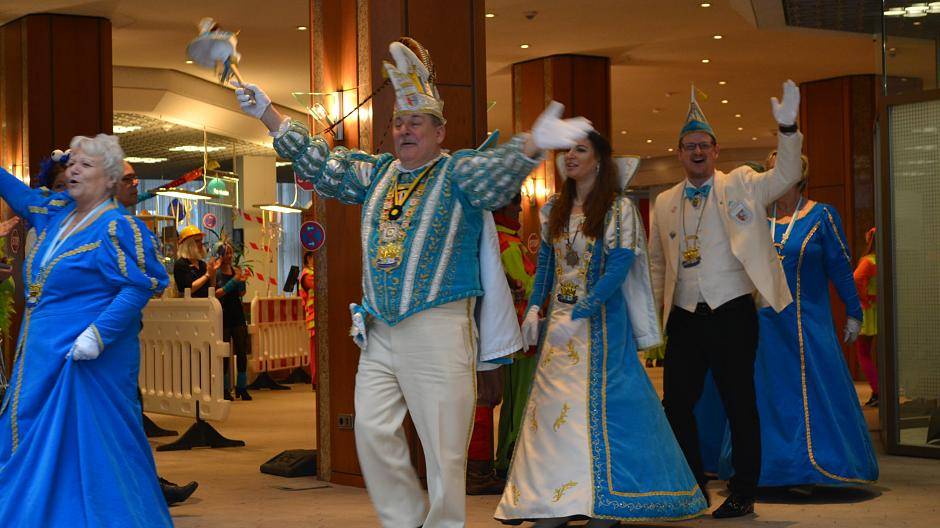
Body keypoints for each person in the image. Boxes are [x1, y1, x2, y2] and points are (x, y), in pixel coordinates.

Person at [234, 37, 589, 528]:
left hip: (439, 330)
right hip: (379, 332)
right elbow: (325, 165)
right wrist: (269, 115)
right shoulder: (378, 173)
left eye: (415, 122)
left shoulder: (457, 173)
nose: (403, 130)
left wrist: (532, 143)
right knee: (373, 434)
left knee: (445, 453)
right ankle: (405, 521)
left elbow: (493, 176)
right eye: (398, 123)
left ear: (440, 131)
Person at [495, 132, 707, 527]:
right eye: (567, 150)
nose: (570, 156)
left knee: (603, 412)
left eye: (580, 150)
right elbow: (546, 266)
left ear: (599, 160)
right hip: (558, 328)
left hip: (603, 328)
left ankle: (606, 502)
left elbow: (619, 266)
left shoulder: (617, 209)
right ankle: (553, 501)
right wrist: (535, 308)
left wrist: (585, 309)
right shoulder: (554, 208)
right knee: (556, 415)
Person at [649, 80, 803, 518]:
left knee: (740, 402)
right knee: (676, 403)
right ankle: (692, 484)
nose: (696, 152)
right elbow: (658, 265)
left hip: (732, 310)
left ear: (716, 151)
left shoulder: (742, 185)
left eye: (704, 145)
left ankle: (743, 491)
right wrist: (653, 321)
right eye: (688, 146)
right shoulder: (663, 202)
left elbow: (787, 175)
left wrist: (788, 129)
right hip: (683, 316)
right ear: (678, 153)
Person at [0, 134, 172, 527]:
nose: (74, 170)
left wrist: (98, 334)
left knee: (94, 455)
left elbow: (141, 284)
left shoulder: (117, 227)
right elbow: (17, 192)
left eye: (85, 165)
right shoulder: (55, 211)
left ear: (110, 178)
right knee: (27, 442)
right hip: (40, 357)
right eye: (72, 163)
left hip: (87, 364)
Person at [714, 152, 878, 490]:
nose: (776, 168)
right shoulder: (758, 217)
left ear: (800, 173)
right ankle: (765, 469)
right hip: (761, 328)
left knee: (810, 396)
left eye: (783, 162)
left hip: (807, 326)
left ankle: (815, 467)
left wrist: (854, 310)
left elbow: (841, 268)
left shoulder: (821, 216)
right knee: (764, 397)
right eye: (773, 162)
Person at [116, 160, 200, 505]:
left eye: (137, 178)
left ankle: (149, 483)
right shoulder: (102, 227)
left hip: (120, 340)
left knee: (129, 420)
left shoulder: (123, 222)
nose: (136, 184)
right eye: (127, 179)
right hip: (101, 346)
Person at [492, 193, 537, 480]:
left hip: (506, 333)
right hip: (520, 334)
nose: (521, 211)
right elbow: (527, 286)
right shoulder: (508, 243)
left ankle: (506, 459)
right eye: (515, 206)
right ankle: (515, 459)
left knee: (511, 400)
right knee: (521, 400)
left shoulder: (496, 238)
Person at [215, 242, 251, 400]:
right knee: (224, 355)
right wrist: (234, 281)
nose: (229, 256)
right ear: (219, 255)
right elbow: (218, 293)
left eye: (231, 253)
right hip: (223, 315)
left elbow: (242, 292)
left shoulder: (236, 270)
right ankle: (224, 389)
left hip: (237, 314)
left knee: (242, 352)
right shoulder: (215, 273)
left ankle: (241, 387)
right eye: (226, 253)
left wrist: (241, 280)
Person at [854, 227, 879, 407]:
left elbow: (856, 279)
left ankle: (878, 391)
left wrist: (863, 298)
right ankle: (880, 390)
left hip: (867, 310)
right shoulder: (884, 260)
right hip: (880, 308)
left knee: (863, 353)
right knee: (880, 353)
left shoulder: (868, 261)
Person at [299, 251, 316, 385]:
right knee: (315, 350)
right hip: (314, 317)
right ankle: (316, 379)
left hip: (319, 317)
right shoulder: (307, 275)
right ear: (309, 258)